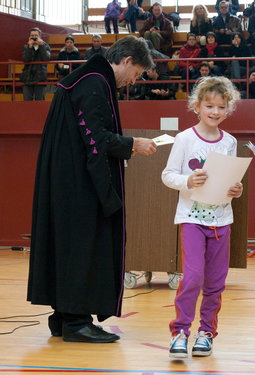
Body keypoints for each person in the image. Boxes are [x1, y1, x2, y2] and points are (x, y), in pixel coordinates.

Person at [27, 36, 157, 343]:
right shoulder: (94, 82)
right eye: (136, 73)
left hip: (66, 178)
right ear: (126, 61)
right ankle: (76, 322)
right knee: (83, 246)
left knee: (67, 246)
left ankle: (63, 317)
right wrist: (132, 145)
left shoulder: (84, 78)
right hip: (79, 184)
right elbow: (95, 138)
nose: (132, 81)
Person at [161, 76, 242, 358]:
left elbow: (230, 182)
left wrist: (236, 189)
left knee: (215, 283)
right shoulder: (184, 139)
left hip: (222, 221)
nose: (215, 112)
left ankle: (206, 332)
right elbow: (168, 175)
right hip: (192, 219)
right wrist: (188, 181)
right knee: (193, 276)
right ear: (197, 106)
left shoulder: (230, 142)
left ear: (227, 108)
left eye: (221, 107)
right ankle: (180, 331)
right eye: (209, 106)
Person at [21, 27, 51, 101]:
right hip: (27, 76)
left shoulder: (45, 46)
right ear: (29, 36)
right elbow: (26, 59)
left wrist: (41, 46)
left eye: (36, 35)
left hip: (40, 76)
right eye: (32, 35)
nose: (34, 37)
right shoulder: (26, 46)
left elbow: (46, 59)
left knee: (39, 100)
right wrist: (29, 47)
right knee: (27, 100)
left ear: (39, 36)